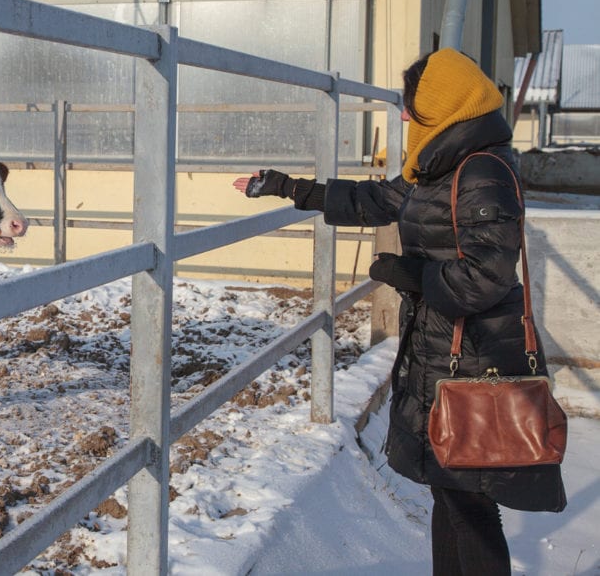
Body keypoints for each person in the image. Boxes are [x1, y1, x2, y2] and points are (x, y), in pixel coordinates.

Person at [233, 48, 566, 575]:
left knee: (470, 505)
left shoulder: (482, 171)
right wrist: (289, 187)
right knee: (450, 492)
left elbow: (486, 276)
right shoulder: (440, 163)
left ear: (445, 107)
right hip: (441, 342)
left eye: (412, 107)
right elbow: (380, 201)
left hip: (476, 353)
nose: (406, 117)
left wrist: (414, 277)